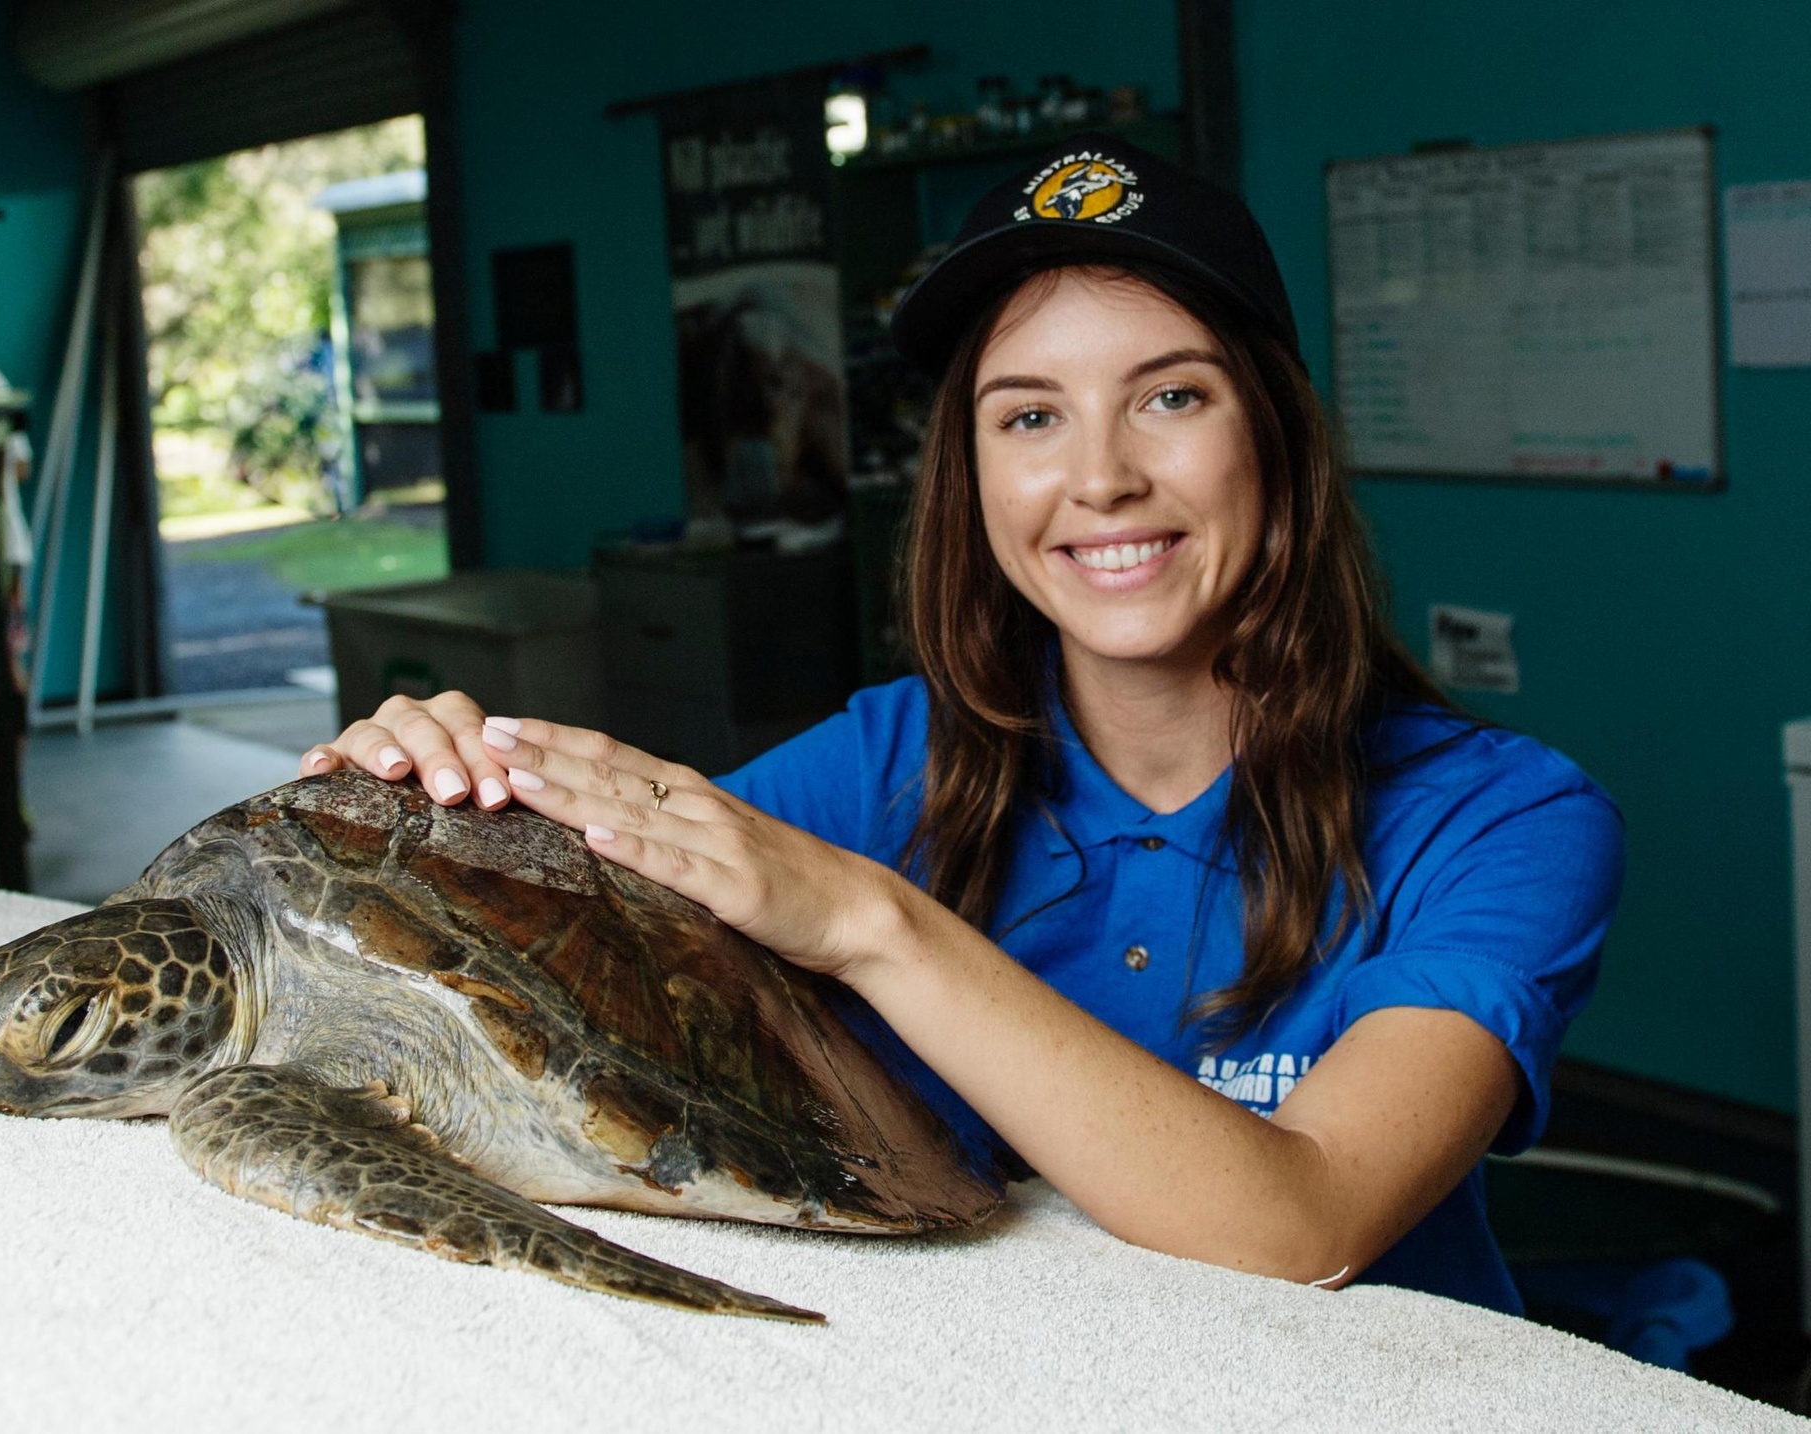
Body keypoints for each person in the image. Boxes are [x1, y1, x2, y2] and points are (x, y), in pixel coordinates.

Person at [298, 135, 1623, 1313]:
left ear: (1273, 442)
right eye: (1030, 415)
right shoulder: (886, 762)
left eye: (1172, 395)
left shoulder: (1503, 818)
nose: (1100, 477)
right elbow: (568, 937)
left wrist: (875, 923)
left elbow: (1305, 1221)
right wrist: (426, 786)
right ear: (973, 476)